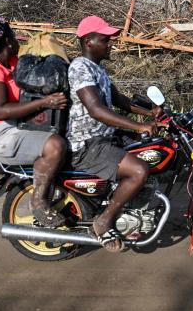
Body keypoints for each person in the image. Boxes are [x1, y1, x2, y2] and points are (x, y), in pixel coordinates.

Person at [67, 15, 159, 252]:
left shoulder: (98, 69)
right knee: (139, 170)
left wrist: (153, 115)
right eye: (105, 39)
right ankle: (104, 220)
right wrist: (138, 126)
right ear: (88, 41)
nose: (111, 44)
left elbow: (121, 101)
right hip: (88, 144)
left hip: (106, 136)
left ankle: (140, 207)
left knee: (153, 147)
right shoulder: (80, 68)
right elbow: (96, 110)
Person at [0, 14, 68, 227]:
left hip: (14, 124)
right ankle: (39, 202)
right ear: (5, 41)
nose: (16, 39)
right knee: (55, 146)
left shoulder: (12, 62)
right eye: (12, 34)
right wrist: (46, 102)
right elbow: (1, 110)